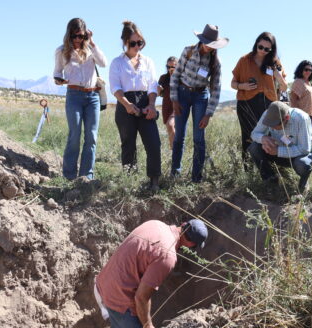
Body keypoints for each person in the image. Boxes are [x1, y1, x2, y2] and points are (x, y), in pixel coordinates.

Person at [95, 218, 208, 328]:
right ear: (191, 244)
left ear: (183, 224)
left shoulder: (155, 223)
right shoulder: (168, 256)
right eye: (194, 247)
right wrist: (148, 325)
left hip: (101, 285)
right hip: (119, 302)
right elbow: (141, 297)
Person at [170, 24, 229, 182]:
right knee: (179, 136)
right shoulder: (188, 51)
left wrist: (208, 114)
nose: (209, 47)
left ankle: (196, 177)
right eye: (207, 43)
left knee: (198, 137)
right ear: (202, 40)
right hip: (182, 94)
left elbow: (216, 88)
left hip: (200, 97)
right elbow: (176, 76)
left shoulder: (215, 61)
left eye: (212, 44)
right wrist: (174, 99)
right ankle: (175, 173)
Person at [109, 21, 161, 192]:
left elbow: (153, 86)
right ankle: (129, 184)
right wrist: (127, 105)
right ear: (125, 42)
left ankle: (154, 182)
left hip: (146, 101)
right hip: (125, 103)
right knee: (128, 145)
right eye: (133, 43)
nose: (137, 46)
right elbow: (115, 88)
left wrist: (152, 106)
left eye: (140, 43)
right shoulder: (117, 63)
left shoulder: (148, 61)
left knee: (153, 142)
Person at [53, 18, 107, 180]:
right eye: (75, 36)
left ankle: (86, 176)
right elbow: (57, 73)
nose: (78, 40)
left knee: (91, 136)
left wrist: (92, 43)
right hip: (74, 95)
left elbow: (103, 63)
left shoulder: (90, 50)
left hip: (93, 97)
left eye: (82, 36)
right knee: (75, 134)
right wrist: (59, 80)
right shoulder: (62, 51)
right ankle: (69, 175)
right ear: (69, 35)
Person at [231, 32, 287, 169]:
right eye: (260, 47)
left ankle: (266, 168)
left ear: (271, 49)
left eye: (267, 49)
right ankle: (248, 169)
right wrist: (242, 86)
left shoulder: (275, 62)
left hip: (269, 105)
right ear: (256, 43)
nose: (262, 51)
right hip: (246, 103)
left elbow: (284, 87)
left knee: (268, 136)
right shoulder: (244, 60)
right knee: (248, 136)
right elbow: (232, 83)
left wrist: (278, 76)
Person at [248, 101, 312, 193]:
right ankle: (270, 180)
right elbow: (254, 134)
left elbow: (304, 149)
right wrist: (263, 138)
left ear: (286, 118)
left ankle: (302, 186)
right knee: (254, 147)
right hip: (277, 153)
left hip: (298, 156)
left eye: (275, 125)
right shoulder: (268, 115)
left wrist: (278, 151)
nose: (272, 127)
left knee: (302, 164)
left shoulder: (301, 118)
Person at [158, 56, 177, 150]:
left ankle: (175, 151)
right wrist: (158, 89)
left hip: (178, 105)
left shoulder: (181, 77)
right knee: (170, 129)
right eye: (168, 67)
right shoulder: (163, 77)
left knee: (170, 125)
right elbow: (159, 94)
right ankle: (173, 152)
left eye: (173, 67)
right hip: (166, 105)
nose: (170, 69)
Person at [290, 60, 312, 127]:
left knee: (310, 137)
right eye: (306, 69)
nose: (308, 72)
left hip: (311, 116)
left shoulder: (308, 82)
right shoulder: (298, 82)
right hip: (302, 117)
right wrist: (297, 116)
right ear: (301, 69)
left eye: (310, 70)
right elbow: (293, 100)